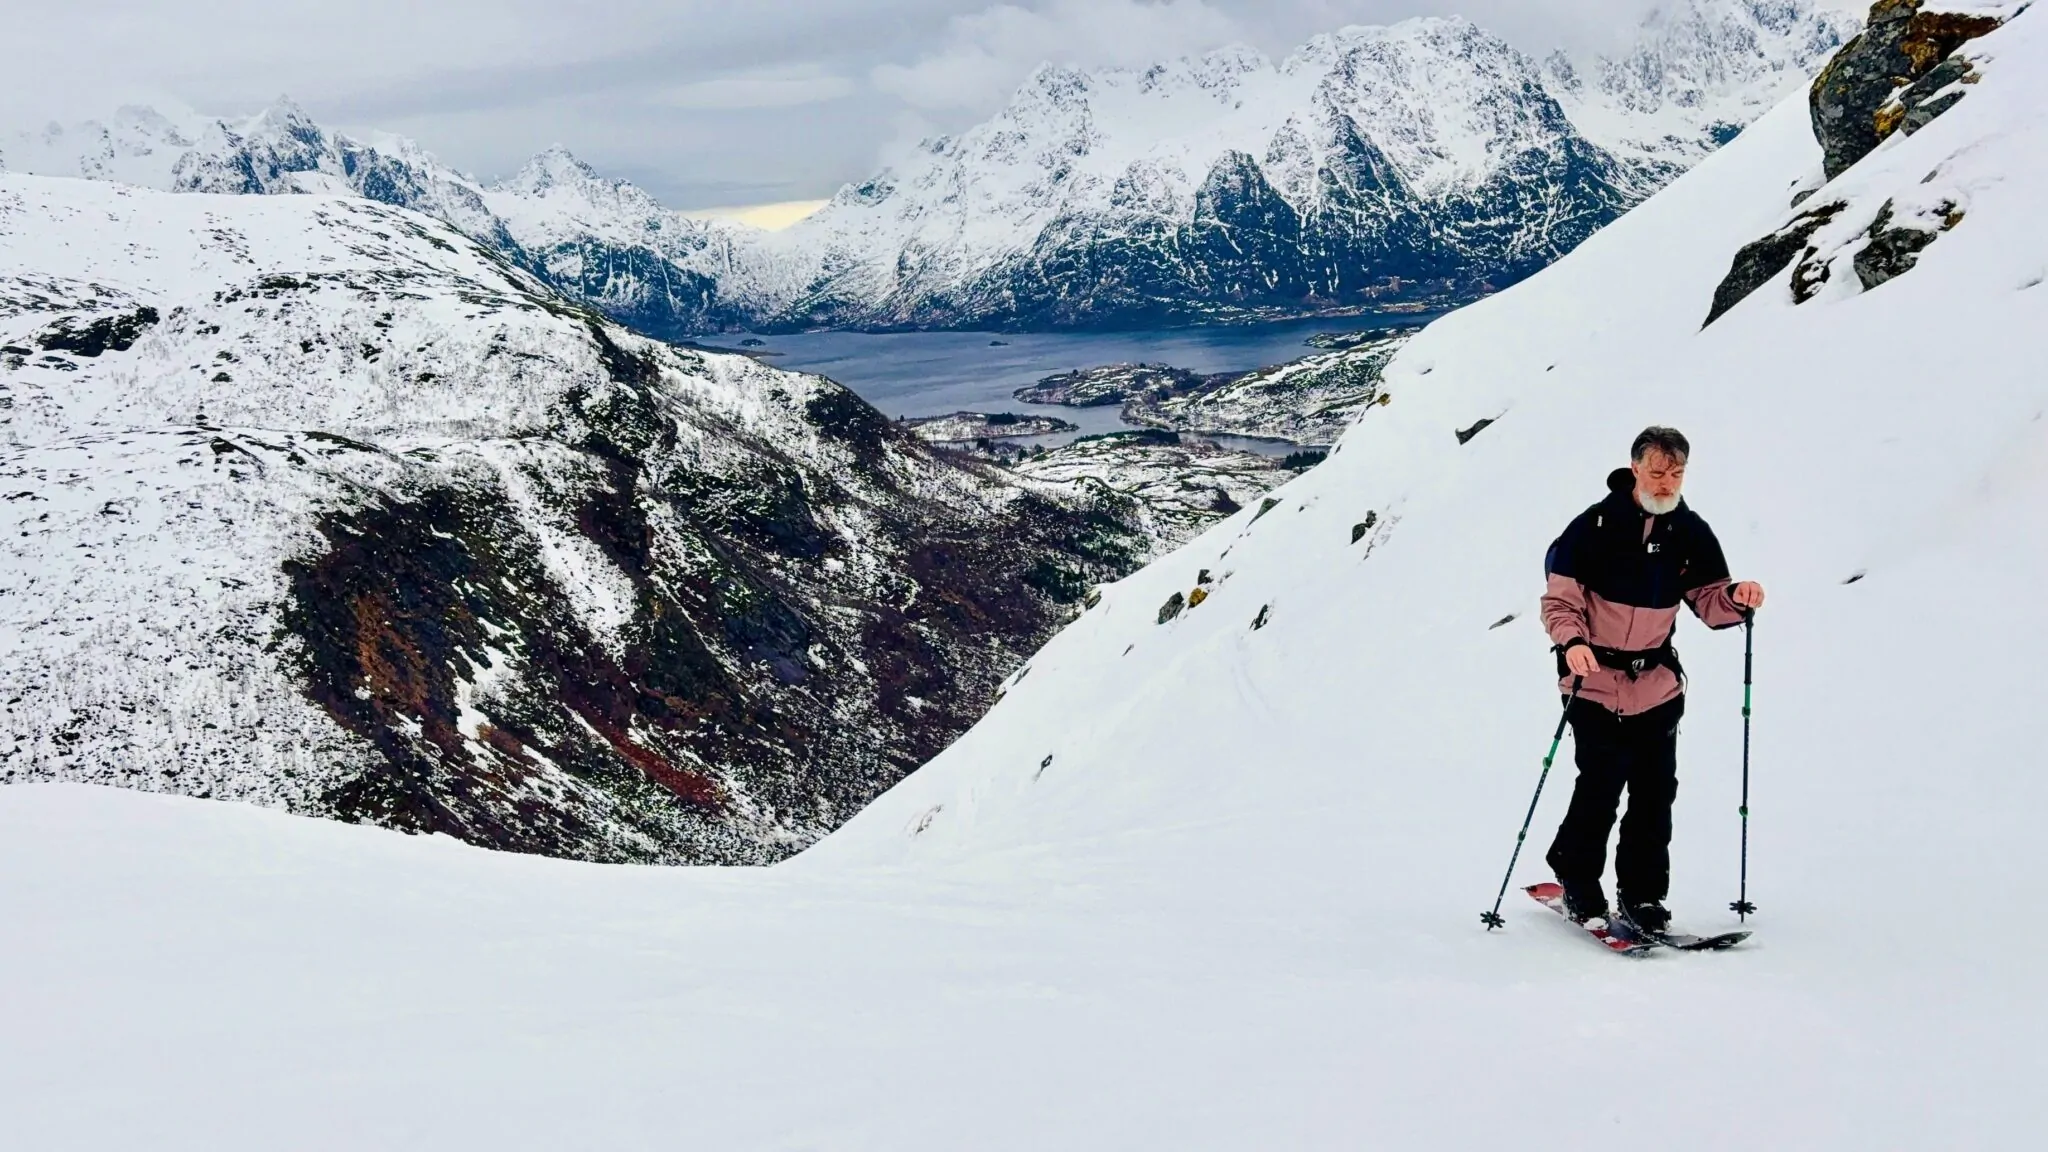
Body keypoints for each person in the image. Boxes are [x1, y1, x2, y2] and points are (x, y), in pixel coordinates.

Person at [1538, 426, 1765, 933]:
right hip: (1593, 679)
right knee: (1600, 785)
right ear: (1635, 467)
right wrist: (1572, 643)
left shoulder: (1690, 531)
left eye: (1677, 474)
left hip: (1658, 683)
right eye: (1658, 472)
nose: (1667, 484)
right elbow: (1560, 601)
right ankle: (1577, 877)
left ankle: (1643, 897)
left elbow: (1710, 599)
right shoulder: (1593, 527)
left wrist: (1737, 599)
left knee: (1655, 793)